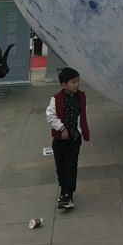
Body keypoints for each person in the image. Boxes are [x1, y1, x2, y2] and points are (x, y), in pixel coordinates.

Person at [46, 67, 90, 210]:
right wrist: (62, 128)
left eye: (77, 81)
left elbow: (83, 115)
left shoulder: (81, 97)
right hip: (59, 140)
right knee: (61, 167)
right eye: (73, 82)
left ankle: (68, 194)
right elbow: (50, 116)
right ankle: (64, 190)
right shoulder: (56, 98)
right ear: (64, 85)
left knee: (71, 165)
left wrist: (81, 131)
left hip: (74, 139)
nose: (77, 85)